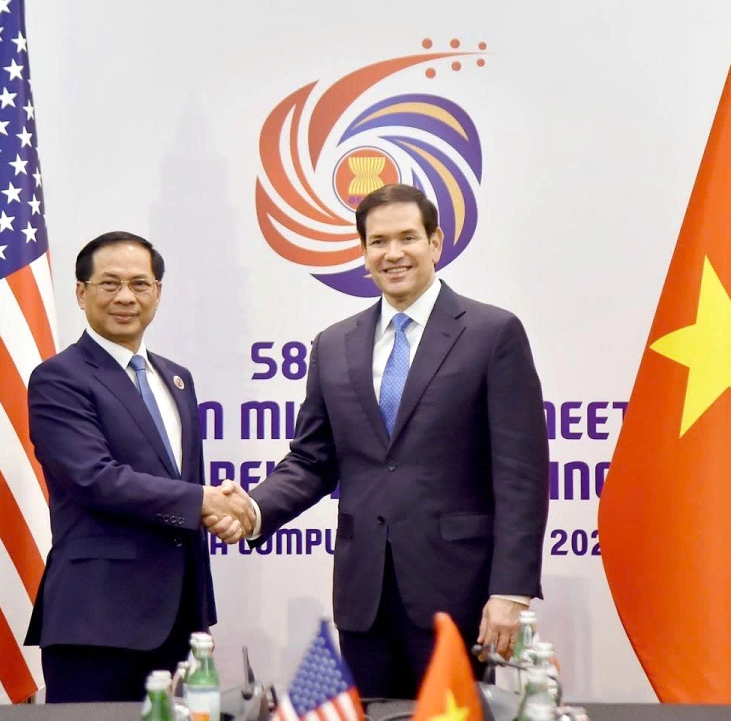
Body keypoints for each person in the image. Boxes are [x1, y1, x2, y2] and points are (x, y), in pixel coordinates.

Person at [213, 184, 549, 698]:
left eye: (407, 237)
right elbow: (311, 458)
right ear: (364, 252)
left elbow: (521, 475)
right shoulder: (333, 344)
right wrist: (254, 510)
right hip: (362, 596)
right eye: (378, 241)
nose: (393, 253)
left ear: (435, 243)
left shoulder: (492, 333)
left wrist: (511, 590)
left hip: (457, 593)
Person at [24, 231, 254, 703]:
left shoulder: (177, 379)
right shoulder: (59, 378)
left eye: (140, 284)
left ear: (158, 293)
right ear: (81, 292)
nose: (126, 297)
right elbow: (94, 478)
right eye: (109, 284)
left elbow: (181, 488)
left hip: (180, 623)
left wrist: (217, 514)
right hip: (97, 623)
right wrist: (202, 500)